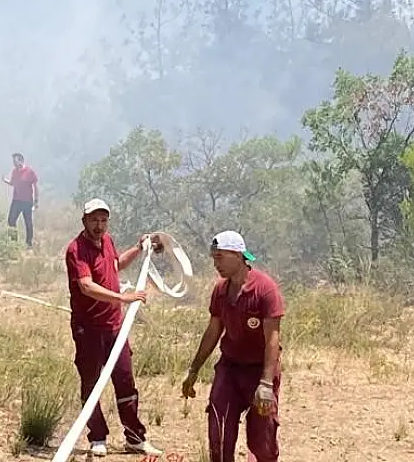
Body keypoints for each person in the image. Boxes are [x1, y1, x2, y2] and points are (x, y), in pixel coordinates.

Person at [64, 197, 165, 458]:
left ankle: (134, 438)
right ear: (84, 221)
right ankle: (97, 437)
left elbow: (116, 264)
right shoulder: (76, 250)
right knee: (91, 382)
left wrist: (140, 248)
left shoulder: (107, 241)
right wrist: (123, 297)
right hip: (89, 329)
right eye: (94, 220)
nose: (99, 225)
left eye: (103, 220)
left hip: (115, 327)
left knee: (125, 380)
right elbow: (86, 285)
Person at [181, 230, 285, 462]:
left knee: (262, 441)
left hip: (260, 371)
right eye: (214, 258)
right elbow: (213, 331)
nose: (216, 264)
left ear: (238, 255)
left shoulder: (265, 290)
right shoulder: (220, 290)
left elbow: (272, 339)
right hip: (229, 369)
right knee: (218, 430)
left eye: (220, 257)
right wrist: (194, 369)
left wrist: (266, 384)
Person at [2, 152, 38, 248]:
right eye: (13, 161)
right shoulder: (14, 172)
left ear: (21, 161)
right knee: (11, 220)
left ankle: (29, 243)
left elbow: (35, 186)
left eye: (15, 161)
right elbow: (14, 183)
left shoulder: (30, 172)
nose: (13, 163)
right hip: (16, 200)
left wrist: (36, 201)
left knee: (28, 222)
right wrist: (6, 181)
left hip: (27, 201)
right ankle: (14, 242)